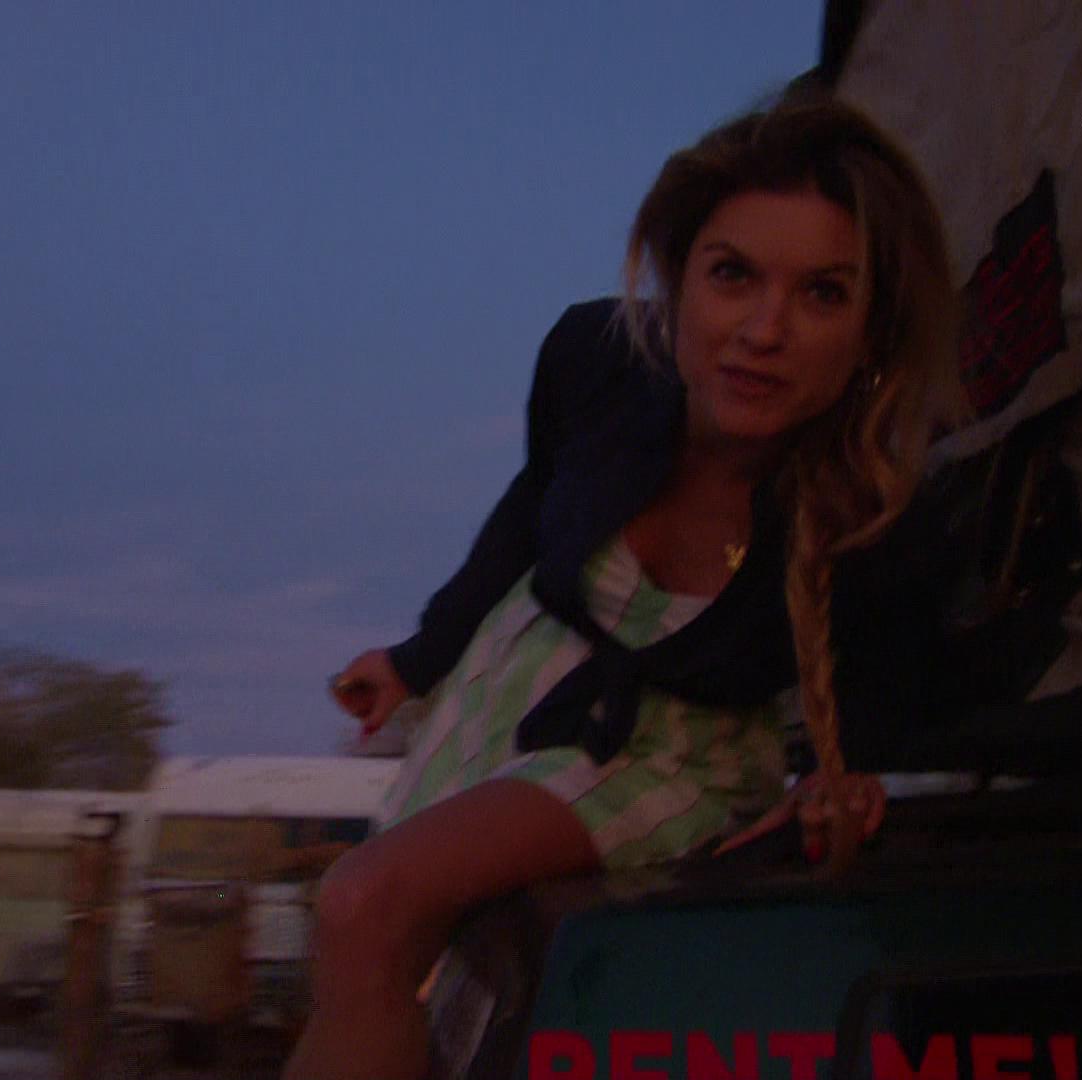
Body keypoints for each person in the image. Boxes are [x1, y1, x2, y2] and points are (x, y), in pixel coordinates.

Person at [286, 90, 964, 1080]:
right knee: (400, 970)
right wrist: (417, 657)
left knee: (365, 904)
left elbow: (886, 693)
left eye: (823, 293)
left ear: (871, 330)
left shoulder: (873, 512)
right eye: (733, 275)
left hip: (673, 755)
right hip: (514, 684)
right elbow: (530, 511)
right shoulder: (593, 362)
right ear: (679, 280)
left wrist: (843, 780)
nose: (764, 329)